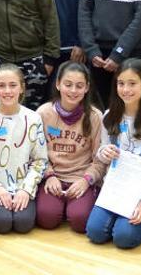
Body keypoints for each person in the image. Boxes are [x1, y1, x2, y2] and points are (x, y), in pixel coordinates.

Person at [86, 59, 141, 249]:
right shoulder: (109, 116)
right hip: (115, 188)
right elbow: (101, 152)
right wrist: (104, 152)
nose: (126, 89)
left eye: (132, 83)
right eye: (121, 83)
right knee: (95, 232)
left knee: (124, 238)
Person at [0, 64, 48, 234]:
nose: (7, 91)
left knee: (23, 223)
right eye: (1, 86)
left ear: (21, 88)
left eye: (13, 85)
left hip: (22, 185)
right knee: (2, 223)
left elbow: (40, 161)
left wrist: (25, 189)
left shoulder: (33, 118)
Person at [36, 61, 105, 233]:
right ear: (58, 84)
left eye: (79, 86)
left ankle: (75, 206)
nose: (73, 91)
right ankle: (60, 207)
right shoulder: (43, 113)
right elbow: (36, 153)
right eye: (68, 84)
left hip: (81, 179)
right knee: (46, 218)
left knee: (80, 220)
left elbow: (100, 159)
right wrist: (49, 175)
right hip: (53, 178)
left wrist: (86, 180)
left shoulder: (95, 116)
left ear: (87, 88)